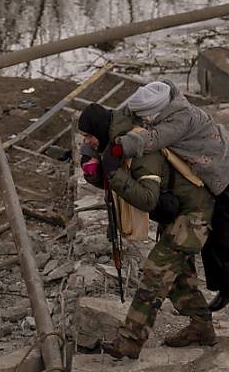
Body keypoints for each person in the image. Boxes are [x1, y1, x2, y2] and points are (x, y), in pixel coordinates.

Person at [116, 81, 229, 323]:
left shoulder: (181, 117)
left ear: (158, 110)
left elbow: (153, 139)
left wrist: (120, 147)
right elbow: (128, 112)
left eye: (146, 117)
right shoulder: (164, 101)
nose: (144, 121)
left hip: (226, 175)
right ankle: (227, 289)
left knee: (228, 234)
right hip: (210, 177)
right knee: (210, 235)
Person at [79, 103, 216, 360]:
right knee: (178, 277)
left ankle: (129, 341)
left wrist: (110, 170)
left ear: (100, 129)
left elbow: (147, 199)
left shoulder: (140, 148)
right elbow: (118, 178)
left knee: (155, 272)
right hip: (178, 214)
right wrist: (94, 171)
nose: (86, 141)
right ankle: (201, 327)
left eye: (88, 136)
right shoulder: (116, 143)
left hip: (195, 214)